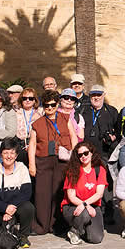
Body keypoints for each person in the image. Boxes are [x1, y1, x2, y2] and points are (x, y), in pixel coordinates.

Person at [28, 90, 75, 235]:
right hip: (43, 160)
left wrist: (74, 157)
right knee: (42, 194)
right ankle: (41, 226)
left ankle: (56, 226)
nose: (49, 108)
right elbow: (33, 145)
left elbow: (73, 137)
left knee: (58, 193)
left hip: (62, 161)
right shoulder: (37, 123)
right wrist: (31, 164)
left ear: (57, 104)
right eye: (46, 105)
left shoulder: (65, 118)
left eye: (53, 105)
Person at [0, 138, 34, 249]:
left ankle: (23, 235)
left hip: (16, 206)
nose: (9, 156)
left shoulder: (22, 168)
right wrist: (5, 208)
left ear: (16, 155)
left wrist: (11, 208)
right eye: (5, 153)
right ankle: (0, 231)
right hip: (0, 207)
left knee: (29, 208)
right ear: (1, 155)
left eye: (12, 153)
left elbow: (26, 193)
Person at [61, 141, 108, 244]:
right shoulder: (73, 170)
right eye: (80, 155)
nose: (83, 156)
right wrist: (85, 205)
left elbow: (99, 194)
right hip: (72, 206)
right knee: (85, 215)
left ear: (91, 153)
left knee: (96, 239)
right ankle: (74, 230)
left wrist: (85, 204)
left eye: (86, 153)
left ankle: (82, 228)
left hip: (93, 206)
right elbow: (71, 196)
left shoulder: (100, 170)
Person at [80, 85, 119, 161]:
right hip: (86, 154)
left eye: (99, 95)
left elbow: (119, 130)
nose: (96, 97)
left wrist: (113, 137)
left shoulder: (111, 111)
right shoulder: (83, 111)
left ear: (104, 95)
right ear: (90, 96)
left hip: (105, 153)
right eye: (93, 95)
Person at [15, 87, 41, 162]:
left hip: (35, 146)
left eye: (30, 98)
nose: (27, 100)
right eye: (24, 98)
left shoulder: (40, 113)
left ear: (35, 100)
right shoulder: (16, 113)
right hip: (19, 147)